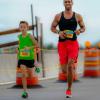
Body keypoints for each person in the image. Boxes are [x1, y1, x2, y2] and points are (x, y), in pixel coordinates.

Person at [51, 0, 85, 98]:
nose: (67, 3)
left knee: (70, 66)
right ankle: (70, 68)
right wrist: (59, 32)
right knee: (64, 70)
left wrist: (79, 31)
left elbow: (83, 27)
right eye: (66, 2)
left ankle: (69, 89)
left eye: (69, 1)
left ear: (72, 3)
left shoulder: (78, 16)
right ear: (64, 3)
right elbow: (52, 28)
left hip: (73, 44)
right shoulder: (58, 16)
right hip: (62, 45)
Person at [17, 21, 39, 98]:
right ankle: (25, 92)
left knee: (30, 76)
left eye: (24, 27)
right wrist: (18, 50)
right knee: (23, 74)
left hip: (30, 58)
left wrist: (29, 48)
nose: (22, 28)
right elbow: (19, 45)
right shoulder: (19, 36)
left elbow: (36, 45)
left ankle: (36, 66)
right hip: (22, 58)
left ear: (27, 28)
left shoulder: (30, 36)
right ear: (19, 28)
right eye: (21, 27)